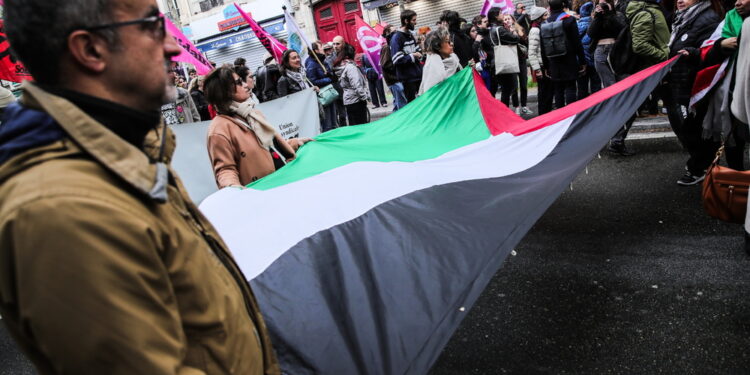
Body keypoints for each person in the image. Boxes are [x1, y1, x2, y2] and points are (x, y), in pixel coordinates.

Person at [0, 0, 280, 373]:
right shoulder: (62, 211)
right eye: (152, 25)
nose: (174, 47)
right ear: (90, 49)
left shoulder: (130, 152)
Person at [205, 65, 310, 188]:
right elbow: (225, 170)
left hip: (285, 180)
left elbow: (268, 147)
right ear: (224, 91)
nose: (246, 85)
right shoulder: (218, 130)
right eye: (239, 82)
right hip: (264, 193)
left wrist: (294, 143)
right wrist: (233, 190)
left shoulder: (252, 113)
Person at [663, 0, 722, 185]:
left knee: (692, 128)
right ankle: (702, 165)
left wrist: (692, 53)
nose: (680, 0)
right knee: (688, 128)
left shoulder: (707, 19)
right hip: (681, 80)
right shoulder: (684, 18)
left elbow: (710, 51)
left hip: (696, 84)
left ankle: (701, 167)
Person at [608, 0, 670, 155]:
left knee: (631, 105)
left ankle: (616, 140)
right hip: (646, 68)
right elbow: (640, 44)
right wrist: (663, 55)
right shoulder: (646, 12)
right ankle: (616, 141)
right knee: (631, 105)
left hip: (644, 67)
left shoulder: (648, 10)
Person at [541, 0, 587, 110]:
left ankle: (561, 116)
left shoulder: (545, 23)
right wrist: (582, 61)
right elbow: (577, 43)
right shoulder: (569, 20)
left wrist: (546, 66)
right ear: (563, 5)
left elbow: (543, 47)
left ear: (550, 8)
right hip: (569, 58)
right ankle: (571, 114)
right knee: (570, 87)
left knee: (558, 89)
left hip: (553, 61)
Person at [588, 0, 627, 89]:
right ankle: (614, 102)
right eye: (600, 4)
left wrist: (609, 14)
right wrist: (598, 17)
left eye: (604, 3)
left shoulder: (618, 15)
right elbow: (591, 33)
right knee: (608, 84)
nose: (602, 6)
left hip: (616, 50)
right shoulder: (596, 17)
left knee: (621, 81)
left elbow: (623, 30)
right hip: (601, 50)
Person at [489, 10, 522, 107]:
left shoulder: (492, 29)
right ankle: (505, 113)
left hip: (497, 62)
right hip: (505, 63)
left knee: (506, 89)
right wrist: (513, 31)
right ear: (496, 16)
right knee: (507, 90)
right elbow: (515, 39)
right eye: (500, 13)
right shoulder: (500, 29)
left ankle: (505, 113)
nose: (502, 15)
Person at [391, 9, 423, 102]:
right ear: (406, 21)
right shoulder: (397, 38)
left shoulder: (410, 35)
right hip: (408, 79)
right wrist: (413, 55)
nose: (415, 23)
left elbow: (417, 50)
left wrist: (419, 53)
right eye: (413, 20)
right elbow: (396, 59)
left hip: (418, 76)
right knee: (412, 105)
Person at [334, 43, 370, 125]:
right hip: (356, 101)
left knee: (354, 125)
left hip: (349, 100)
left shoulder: (343, 66)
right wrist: (364, 97)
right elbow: (357, 85)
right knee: (360, 125)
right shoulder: (351, 67)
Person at [418, 28, 462, 95]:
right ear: (437, 46)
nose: (452, 43)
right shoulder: (433, 67)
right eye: (447, 41)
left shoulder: (454, 58)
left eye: (450, 40)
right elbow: (432, 93)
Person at [306, 41, 338, 132]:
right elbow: (312, 81)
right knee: (327, 122)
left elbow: (329, 72)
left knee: (333, 119)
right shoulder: (311, 64)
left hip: (329, 92)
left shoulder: (322, 60)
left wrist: (330, 74)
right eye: (321, 47)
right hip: (322, 94)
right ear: (316, 50)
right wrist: (329, 79)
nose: (323, 49)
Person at [528, 6, 554, 114]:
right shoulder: (535, 30)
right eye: (545, 15)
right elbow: (532, 52)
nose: (547, 16)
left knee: (548, 92)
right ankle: (543, 115)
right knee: (544, 93)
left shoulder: (541, 27)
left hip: (545, 64)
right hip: (541, 66)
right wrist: (537, 69)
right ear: (539, 17)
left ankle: (546, 113)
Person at [576, 1, 602, 99]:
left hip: (581, 60)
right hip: (594, 58)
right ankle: (597, 106)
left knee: (582, 87)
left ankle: (583, 110)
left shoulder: (576, 26)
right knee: (596, 85)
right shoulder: (595, 24)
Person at [381, 25, 408, 111]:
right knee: (401, 105)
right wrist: (399, 64)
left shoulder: (394, 45)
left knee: (398, 103)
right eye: (393, 32)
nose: (396, 33)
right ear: (387, 34)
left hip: (398, 79)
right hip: (394, 80)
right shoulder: (386, 47)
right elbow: (385, 64)